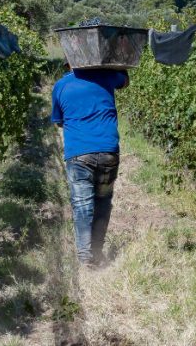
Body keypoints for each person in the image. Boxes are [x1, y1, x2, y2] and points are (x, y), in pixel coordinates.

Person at [51, 66, 129, 266]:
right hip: (108, 152)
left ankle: (86, 258)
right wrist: (118, 64)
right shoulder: (108, 76)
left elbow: (58, 121)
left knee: (82, 205)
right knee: (103, 201)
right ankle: (96, 251)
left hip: (79, 155)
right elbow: (125, 81)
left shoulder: (61, 86)